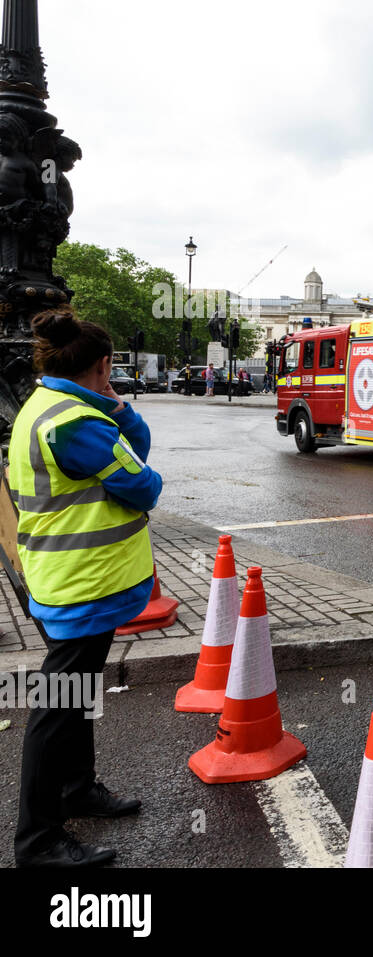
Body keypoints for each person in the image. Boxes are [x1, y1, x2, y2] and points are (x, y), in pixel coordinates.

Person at [10, 308, 162, 868]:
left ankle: (77, 789)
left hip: (67, 582)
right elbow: (143, 485)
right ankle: (39, 841)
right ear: (102, 366)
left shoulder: (45, 407)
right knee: (58, 708)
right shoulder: (77, 423)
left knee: (74, 698)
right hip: (82, 585)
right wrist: (123, 414)